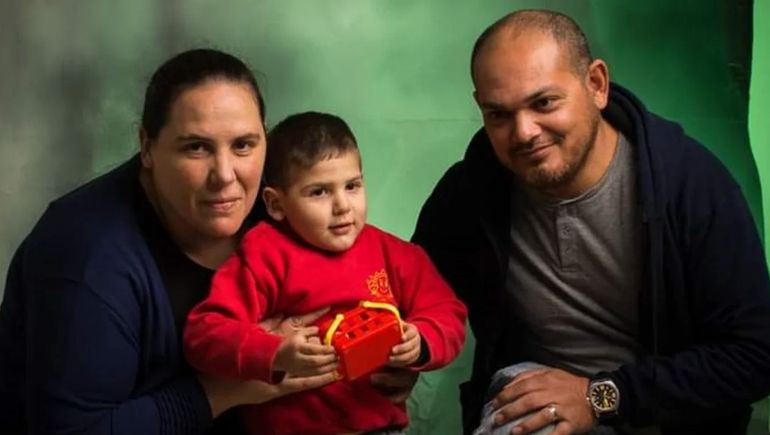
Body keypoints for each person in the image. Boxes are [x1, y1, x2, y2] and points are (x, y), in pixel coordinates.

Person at [0, 49, 417, 435]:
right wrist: (228, 389)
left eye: (243, 145)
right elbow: (73, 431)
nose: (225, 175)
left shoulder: (277, 205)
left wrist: (388, 363)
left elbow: (365, 291)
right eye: (196, 148)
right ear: (147, 147)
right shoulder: (86, 257)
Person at [412, 9, 770, 435]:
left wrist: (598, 396)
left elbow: (756, 354)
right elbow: (409, 292)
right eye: (499, 114)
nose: (523, 132)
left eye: (543, 102)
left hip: (667, 417)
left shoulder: (690, 185)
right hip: (536, 402)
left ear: (596, 85)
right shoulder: (472, 190)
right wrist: (396, 354)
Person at [183, 111, 468, 435]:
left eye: (352, 186)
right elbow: (204, 334)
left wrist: (422, 341)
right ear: (276, 204)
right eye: (319, 192)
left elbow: (448, 311)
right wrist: (274, 352)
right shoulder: (265, 255)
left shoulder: (394, 254)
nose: (343, 205)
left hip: (378, 429)